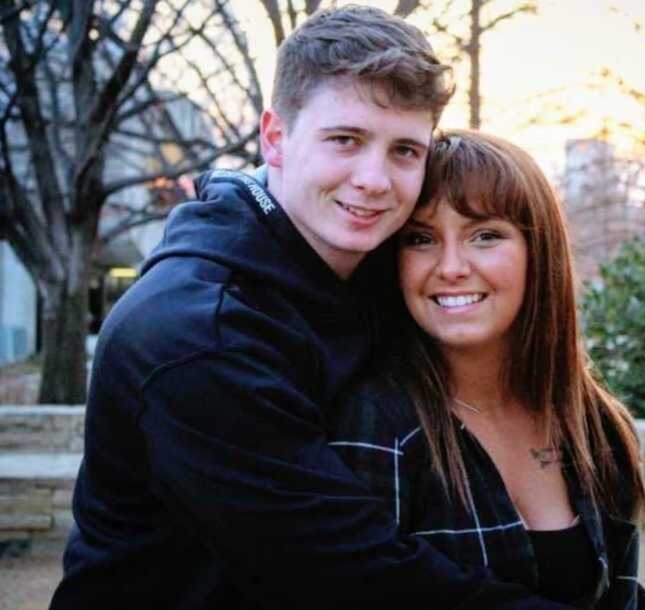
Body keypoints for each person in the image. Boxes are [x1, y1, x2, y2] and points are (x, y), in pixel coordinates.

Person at [51, 7, 572, 610]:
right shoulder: (197, 335)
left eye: (405, 150)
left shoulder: (361, 267)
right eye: (345, 140)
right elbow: (353, 578)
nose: (374, 179)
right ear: (275, 137)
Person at [329, 130, 645, 609]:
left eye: (485, 235)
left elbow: (621, 597)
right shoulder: (378, 424)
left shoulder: (593, 423)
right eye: (421, 239)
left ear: (539, 251)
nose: (450, 267)